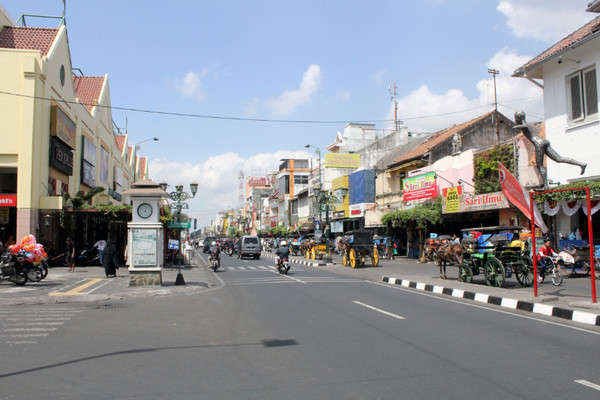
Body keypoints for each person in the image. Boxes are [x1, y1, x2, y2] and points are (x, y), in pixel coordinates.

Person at [513, 110, 586, 187]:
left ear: (519, 118)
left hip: (539, 144)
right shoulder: (531, 124)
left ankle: (545, 185)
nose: (515, 120)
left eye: (515, 118)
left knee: (539, 165)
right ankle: (581, 164)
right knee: (559, 159)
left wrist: (516, 126)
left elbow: (520, 126)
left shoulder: (526, 125)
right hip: (545, 142)